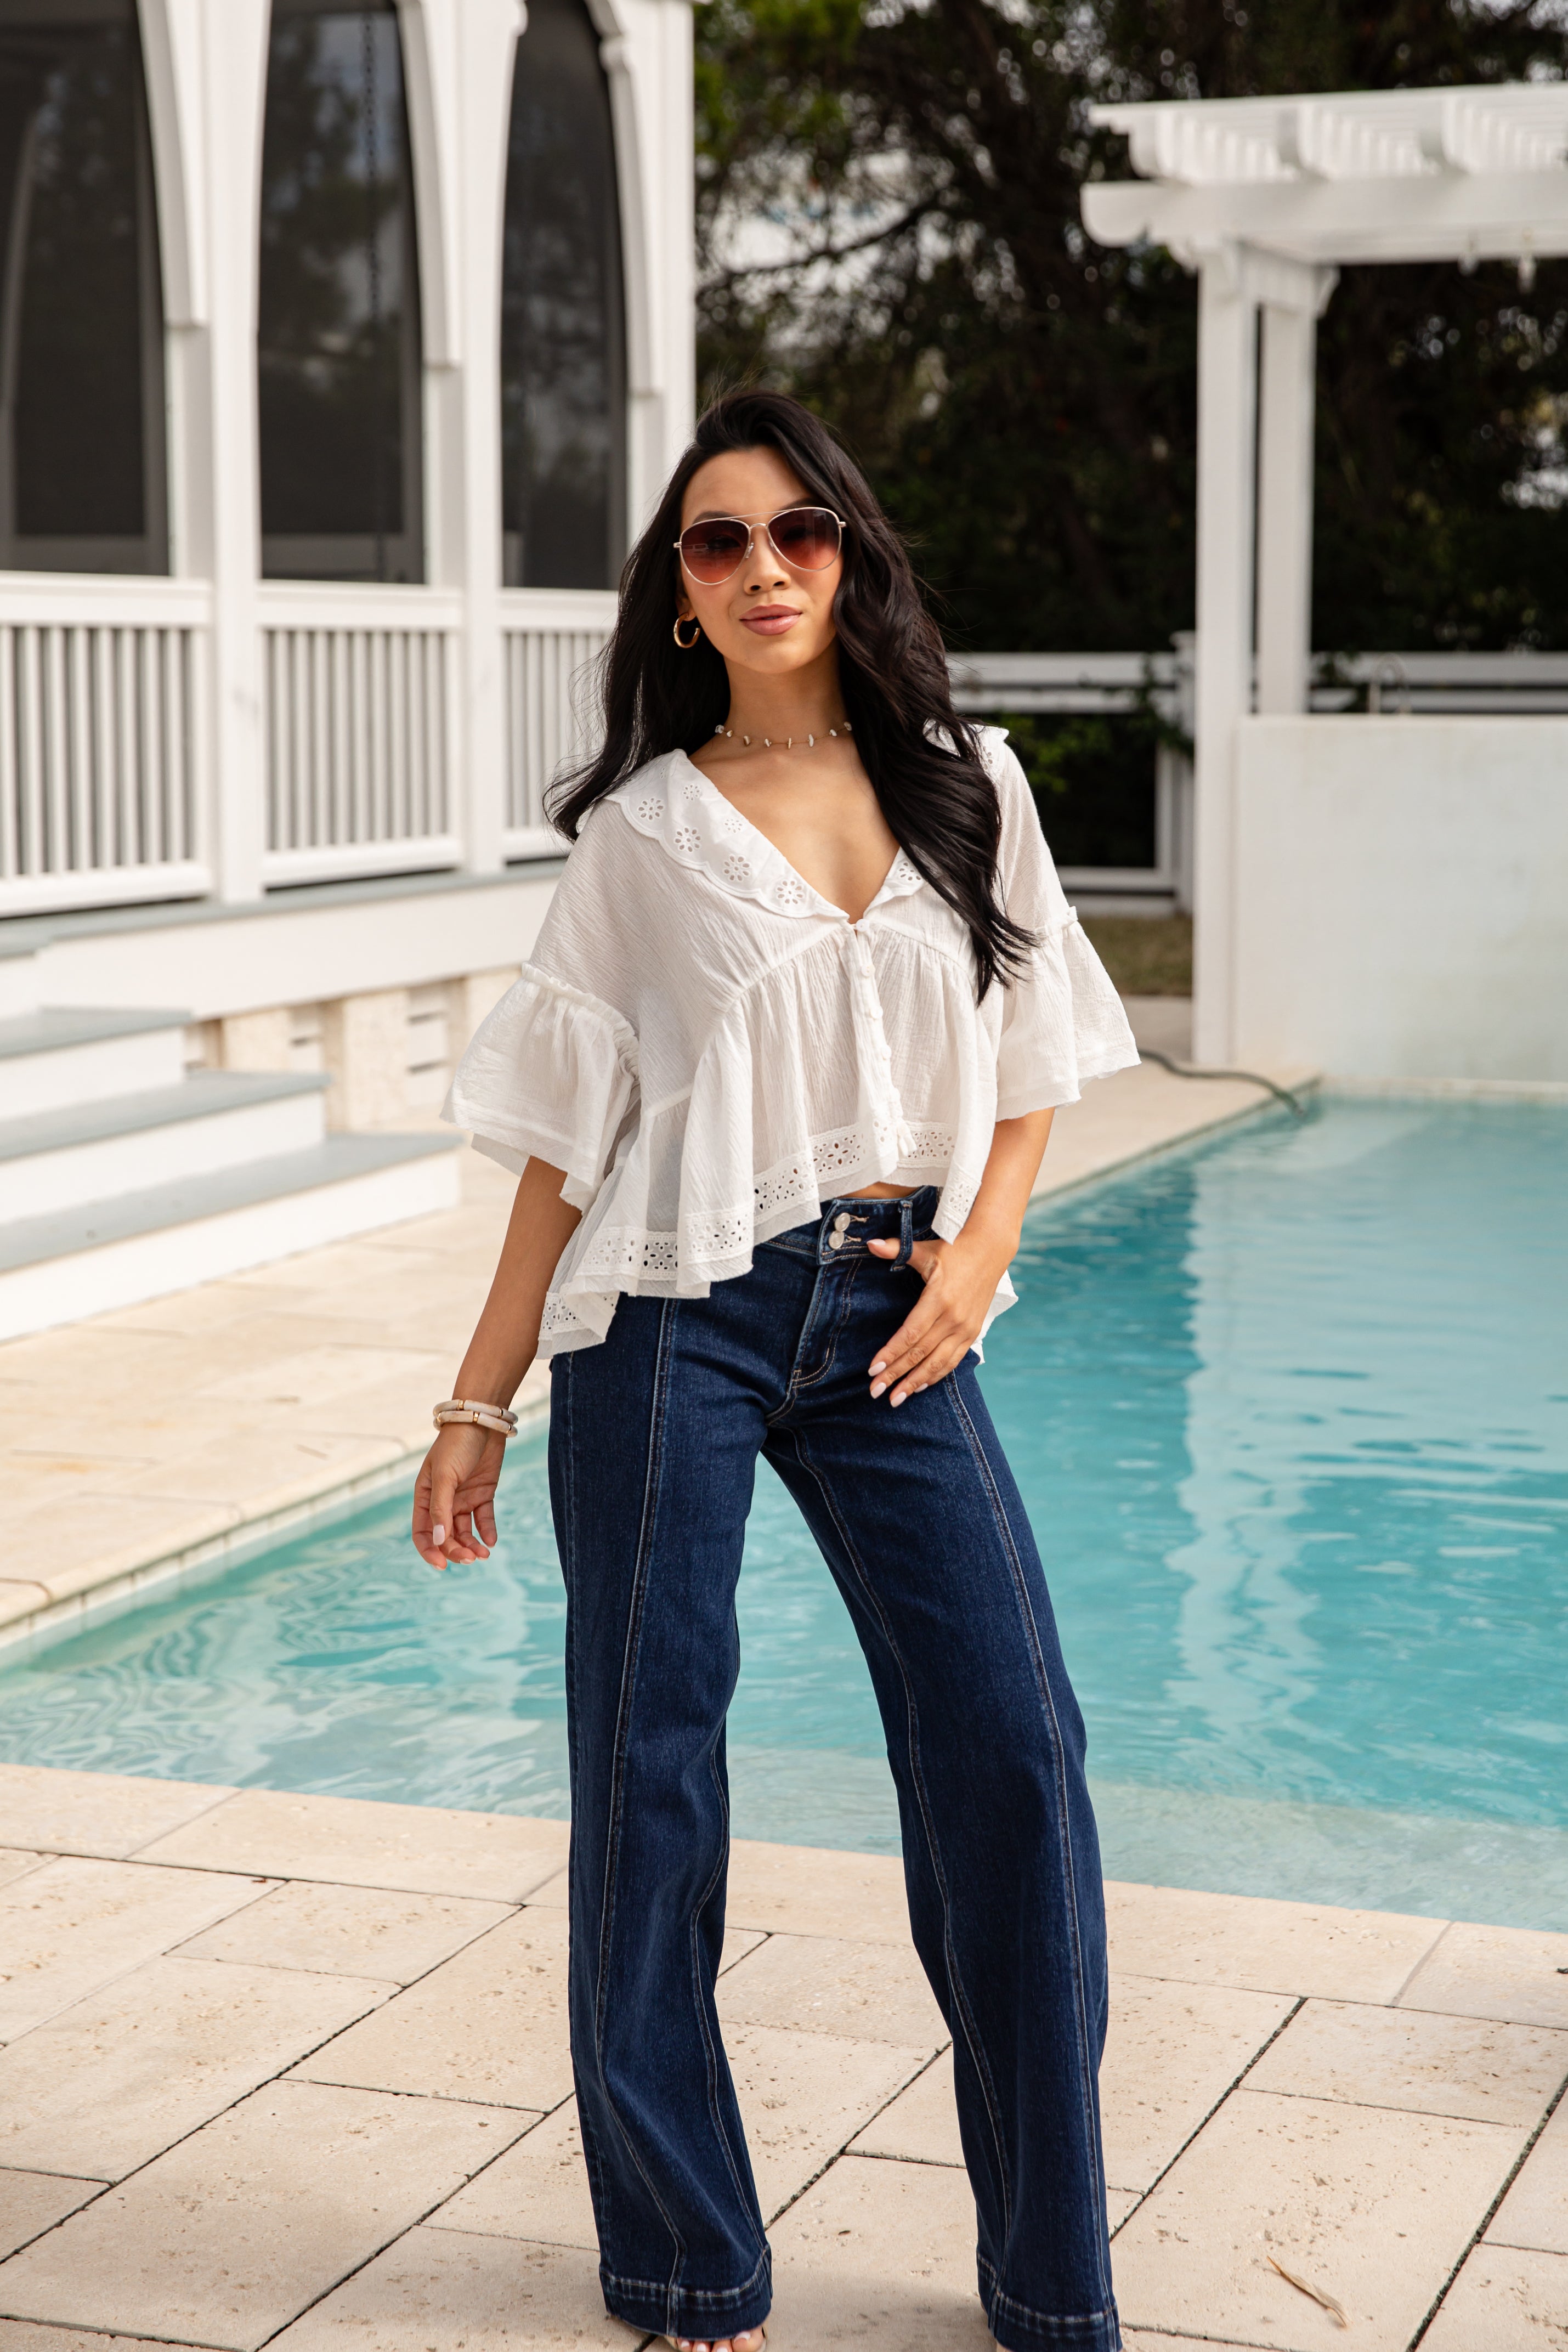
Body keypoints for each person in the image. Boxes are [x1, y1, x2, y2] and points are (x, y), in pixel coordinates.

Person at [412, 390, 1137, 2352]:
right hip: (675, 1319)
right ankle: (683, 2257)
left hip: (898, 1306)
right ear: (674, 596)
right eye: (715, 543)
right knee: (650, 1775)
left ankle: (1050, 2276)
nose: (760, 569)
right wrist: (476, 1401)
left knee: (1013, 1748)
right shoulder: (641, 839)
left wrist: (984, 1254)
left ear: (852, 558)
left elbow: (1035, 1059)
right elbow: (569, 1148)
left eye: (797, 533)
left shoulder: (968, 782)